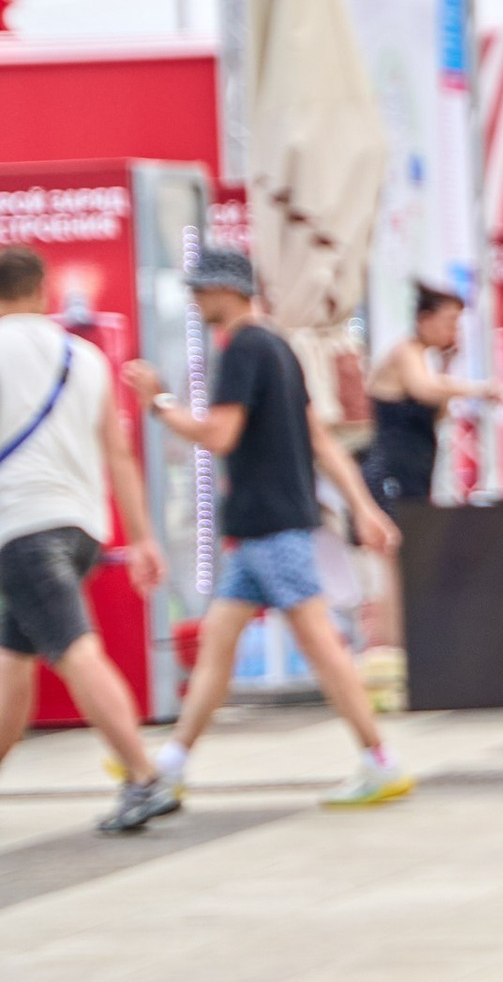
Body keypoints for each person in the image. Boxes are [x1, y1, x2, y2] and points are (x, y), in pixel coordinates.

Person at [132, 252, 413, 810]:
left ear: (226, 289)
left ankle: (380, 759)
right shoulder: (280, 347)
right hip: (269, 527)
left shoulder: (243, 349)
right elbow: (321, 439)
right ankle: (172, 761)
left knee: (318, 645)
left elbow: (219, 434)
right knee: (219, 644)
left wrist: (159, 403)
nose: (194, 300)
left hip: (270, 528)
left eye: (200, 289)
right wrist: (364, 507)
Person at [0, 246, 175, 835]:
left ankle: (145, 776)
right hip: (80, 528)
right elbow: (118, 454)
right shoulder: (86, 357)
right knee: (14, 660)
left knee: (75, 649)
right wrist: (144, 539)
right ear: (42, 291)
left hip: (20, 526)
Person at [364, 283, 492, 512]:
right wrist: (479, 389)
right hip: (391, 464)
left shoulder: (425, 360)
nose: (454, 331)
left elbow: (439, 414)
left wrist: (447, 365)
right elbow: (424, 389)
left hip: (416, 462)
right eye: (450, 322)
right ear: (424, 319)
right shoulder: (405, 351)